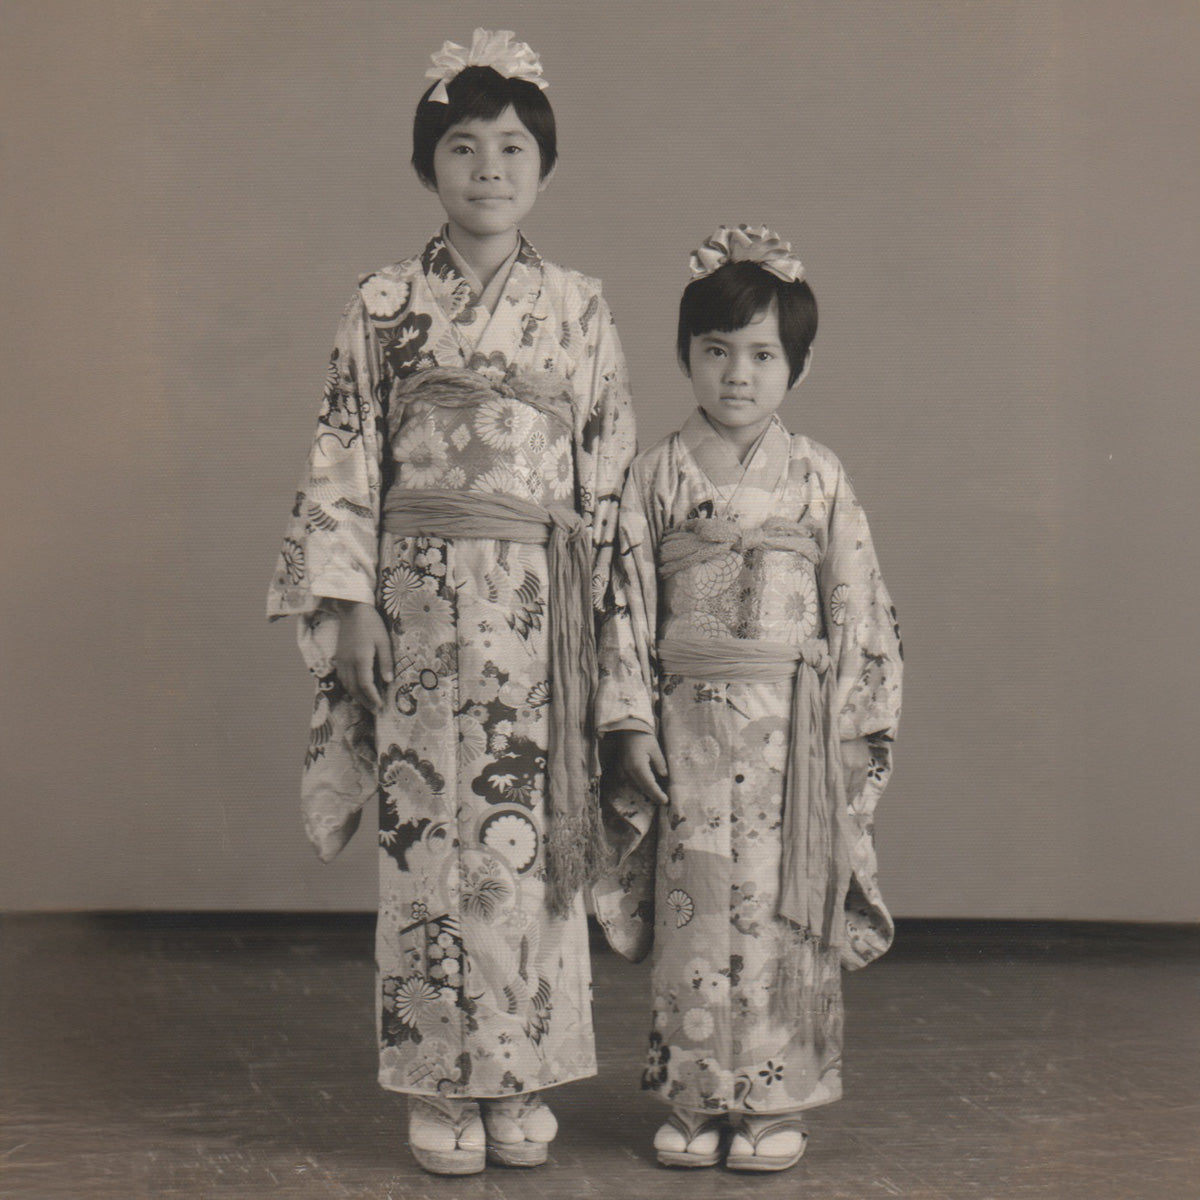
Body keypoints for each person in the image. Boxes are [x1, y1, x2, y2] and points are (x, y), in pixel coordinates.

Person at [267, 29, 636, 1176]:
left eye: (513, 146)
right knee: (431, 838)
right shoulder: (383, 302)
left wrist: (609, 644)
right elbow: (344, 456)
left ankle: (519, 1074)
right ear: (431, 164)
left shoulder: (577, 308)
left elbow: (607, 483)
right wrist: (354, 605)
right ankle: (439, 1086)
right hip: (417, 605)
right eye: (464, 147)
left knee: (534, 846)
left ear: (545, 164)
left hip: (540, 609)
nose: (489, 168)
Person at [592, 225, 903, 1172]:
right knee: (697, 899)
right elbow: (623, 604)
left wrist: (851, 727)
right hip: (685, 722)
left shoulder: (820, 478)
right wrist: (628, 720)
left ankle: (772, 1101)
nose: (738, 374)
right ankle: (694, 1096)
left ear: (796, 369)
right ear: (686, 356)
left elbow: (858, 610)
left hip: (790, 738)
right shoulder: (652, 476)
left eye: (763, 355)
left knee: (779, 909)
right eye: (717, 351)